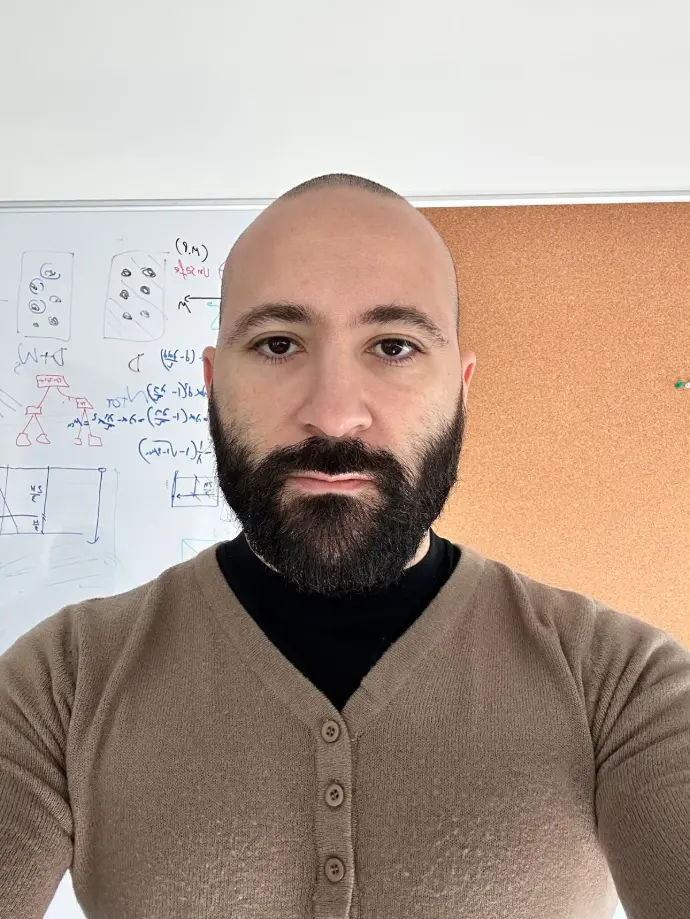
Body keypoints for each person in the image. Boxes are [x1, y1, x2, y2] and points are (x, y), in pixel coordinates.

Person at [1, 173, 689, 919]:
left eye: (393, 346)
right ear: (212, 383)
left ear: (460, 389)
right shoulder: (62, 684)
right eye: (277, 344)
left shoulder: (622, 687)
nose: (333, 415)